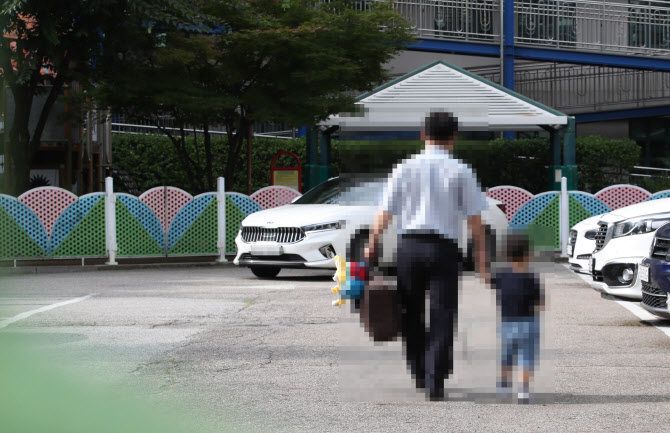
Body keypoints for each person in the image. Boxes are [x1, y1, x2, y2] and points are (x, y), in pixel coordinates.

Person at [364, 111, 489, 401]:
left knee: (410, 311)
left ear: (423, 134)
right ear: (454, 137)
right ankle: (436, 380)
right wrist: (481, 254)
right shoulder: (460, 169)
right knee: (443, 314)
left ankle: (419, 373)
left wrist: (373, 243)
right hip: (445, 249)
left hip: (409, 247)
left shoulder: (404, 167)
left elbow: (385, 213)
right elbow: (475, 220)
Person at [492, 232, 544, 404]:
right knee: (526, 358)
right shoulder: (531, 277)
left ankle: (503, 387)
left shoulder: (501, 275)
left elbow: (490, 282)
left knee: (506, 357)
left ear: (506, 255)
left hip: (508, 323)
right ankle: (523, 390)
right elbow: (540, 303)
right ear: (528, 254)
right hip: (528, 322)